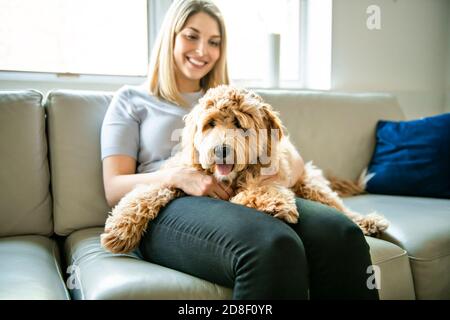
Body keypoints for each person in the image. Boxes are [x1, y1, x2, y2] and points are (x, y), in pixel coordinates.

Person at [101, 0, 378, 300]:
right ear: (171, 35)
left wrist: (279, 180)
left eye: (214, 42)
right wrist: (177, 177)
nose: (202, 50)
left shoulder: (230, 97)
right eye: (191, 36)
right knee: (273, 244)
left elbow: (286, 151)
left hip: (240, 193)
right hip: (167, 207)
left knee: (340, 234)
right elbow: (114, 186)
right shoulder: (131, 100)